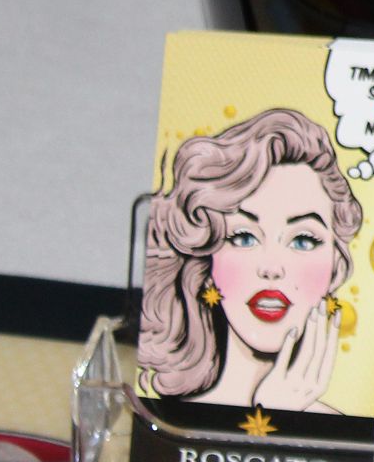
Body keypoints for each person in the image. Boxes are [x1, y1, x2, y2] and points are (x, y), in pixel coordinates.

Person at [140, 107, 361, 413]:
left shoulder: (348, 428)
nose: (271, 269)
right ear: (206, 258)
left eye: (303, 240)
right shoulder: (167, 421)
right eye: (244, 238)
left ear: (335, 264)